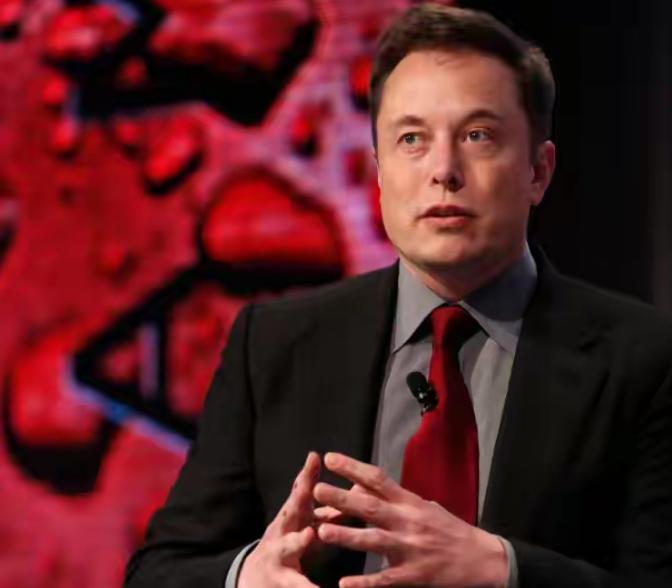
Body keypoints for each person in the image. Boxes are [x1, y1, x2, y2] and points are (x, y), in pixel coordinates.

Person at [124, 4, 672, 587]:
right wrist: (247, 577)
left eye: (478, 136)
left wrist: (504, 571)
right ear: (380, 172)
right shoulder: (273, 345)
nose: (444, 170)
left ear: (538, 171)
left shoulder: (644, 360)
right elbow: (158, 573)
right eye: (412, 139)